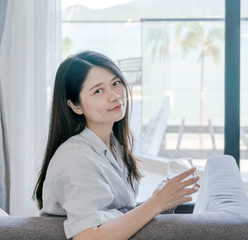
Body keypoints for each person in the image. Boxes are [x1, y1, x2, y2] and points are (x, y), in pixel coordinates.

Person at [33, 51, 200, 240]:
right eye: (98, 90)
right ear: (75, 106)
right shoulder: (74, 159)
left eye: (115, 83)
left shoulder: (113, 144)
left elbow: (112, 215)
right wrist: (156, 203)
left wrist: (162, 198)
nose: (114, 96)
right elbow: (89, 237)